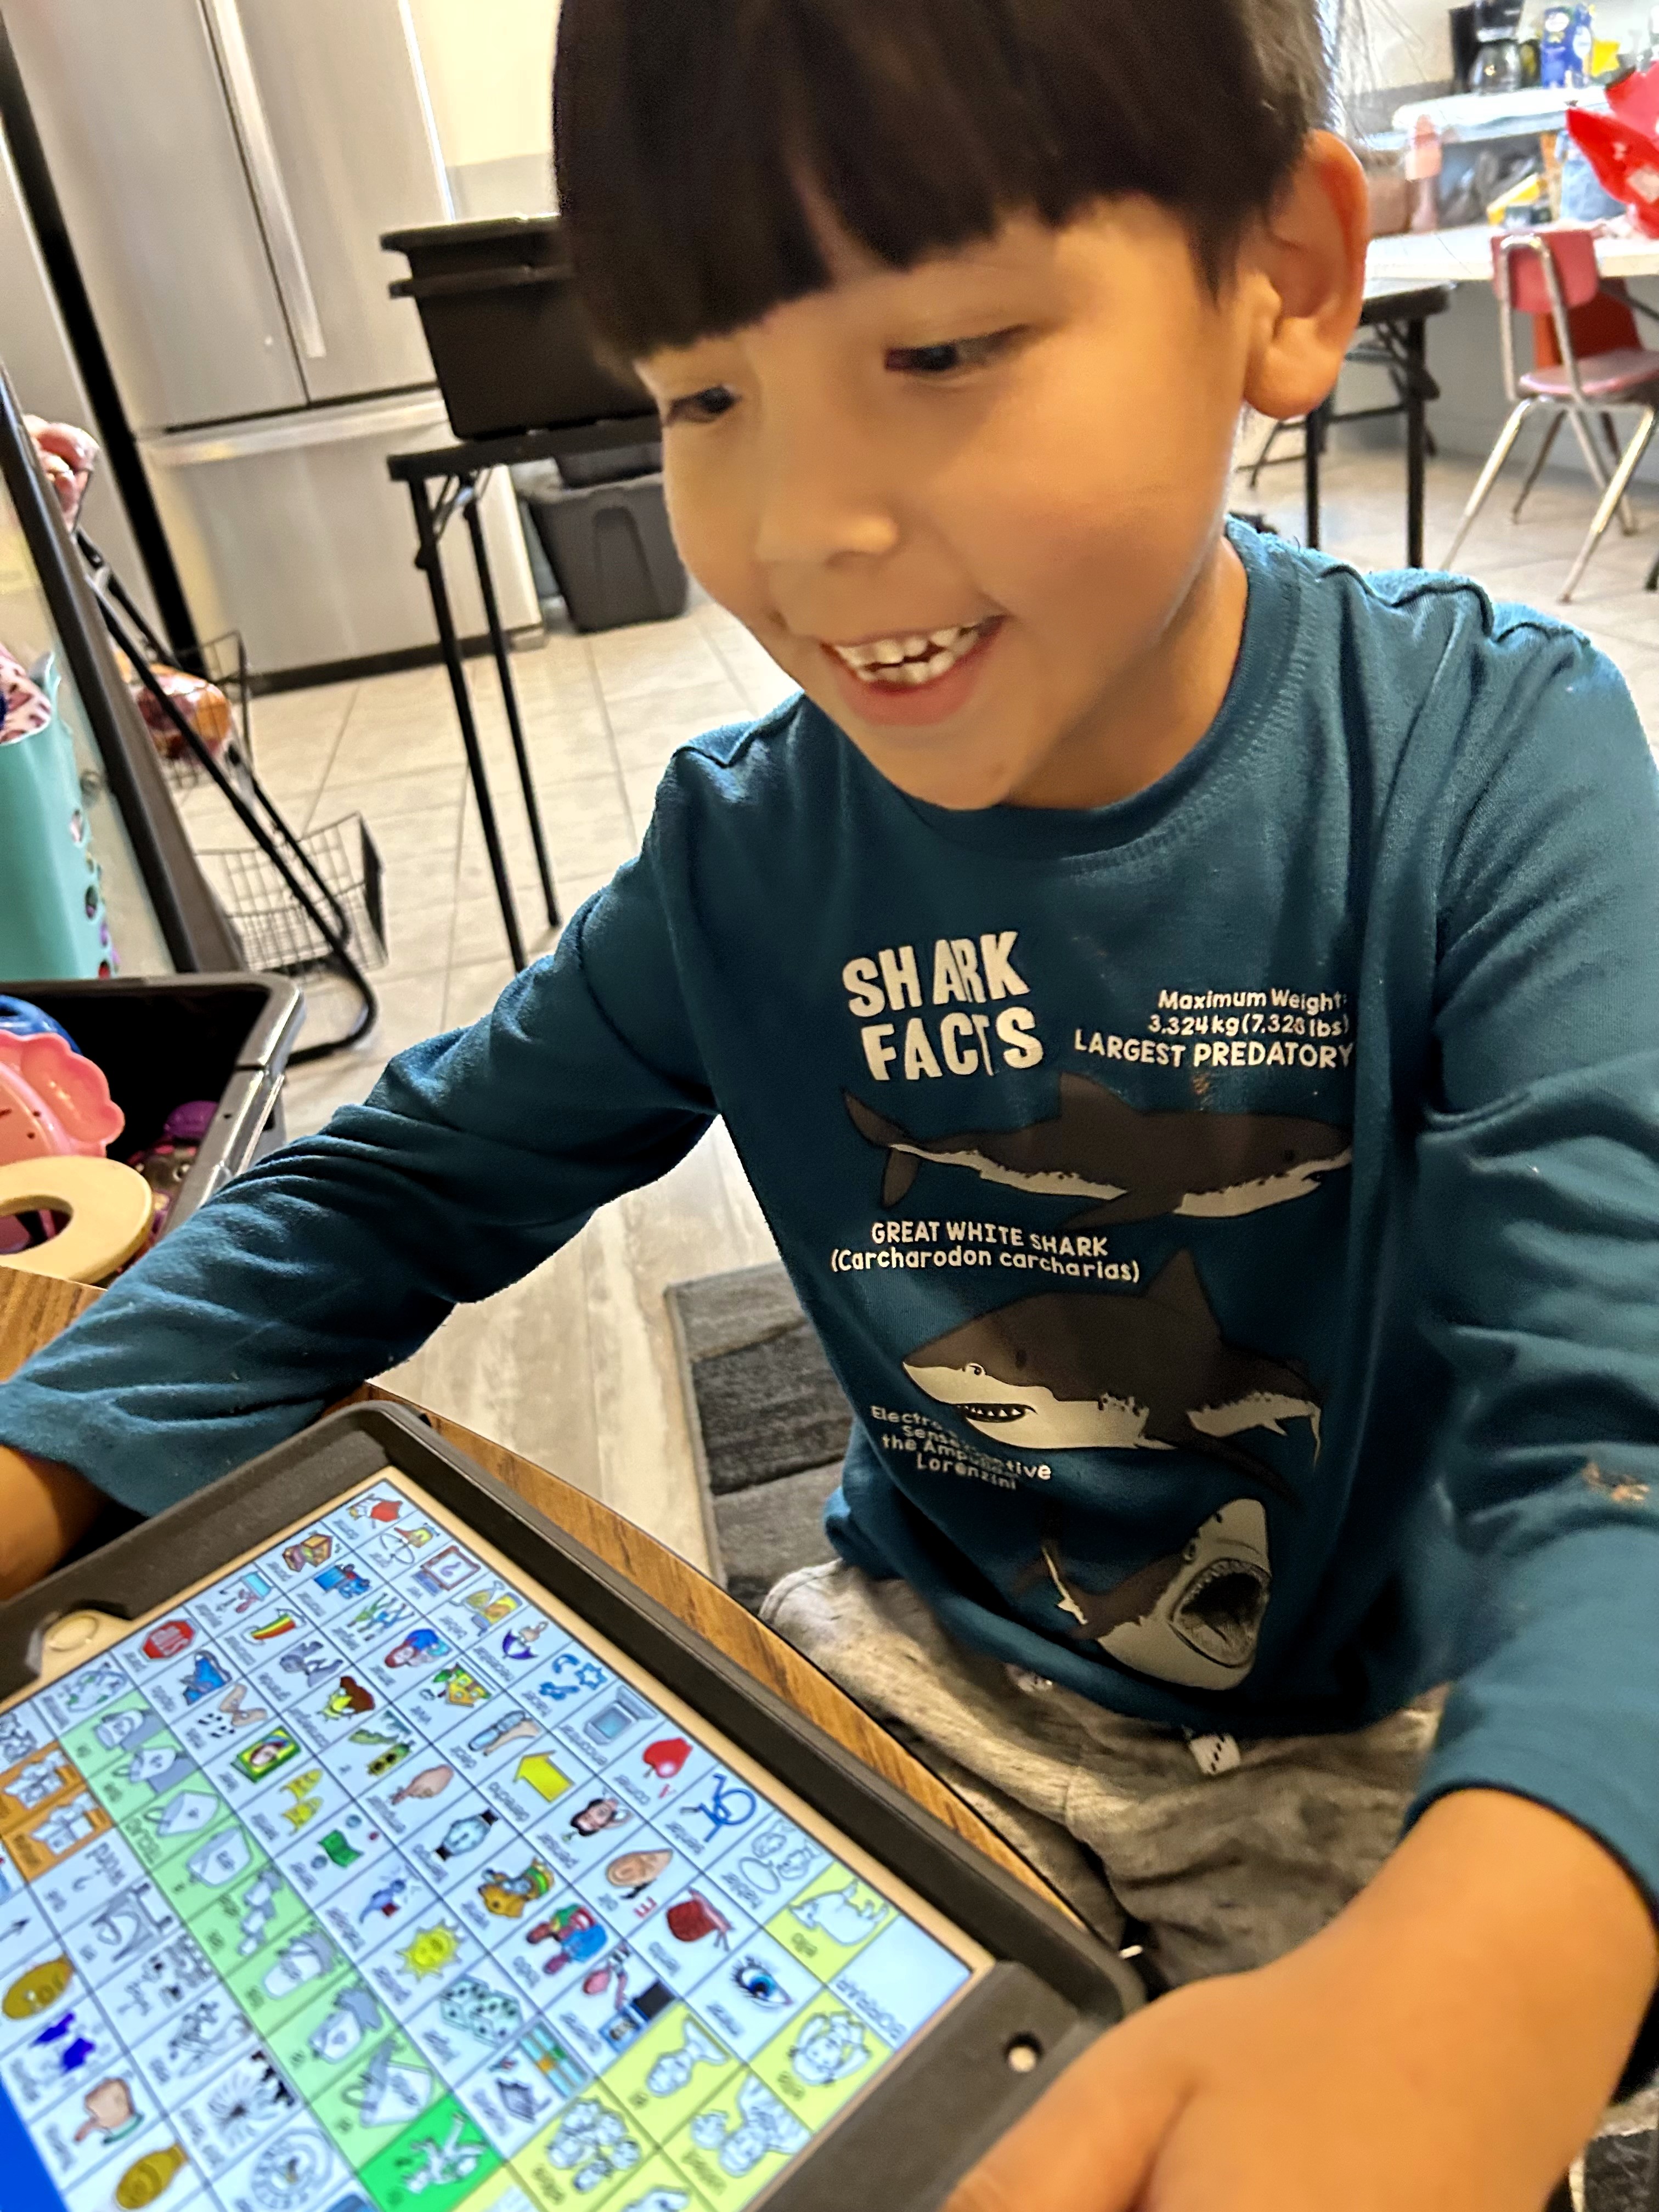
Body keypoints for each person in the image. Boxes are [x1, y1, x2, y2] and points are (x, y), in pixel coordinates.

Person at [2, 1, 1657, 2201]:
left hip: (1386, 1730)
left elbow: (1616, 1431)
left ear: (1279, 281)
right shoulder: (748, 857)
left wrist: (1496, 1966)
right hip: (935, 1678)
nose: (807, 526)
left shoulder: (1486, 770)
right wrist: (33, 1465)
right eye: (702, 392)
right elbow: (386, 1194)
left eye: (947, 348)